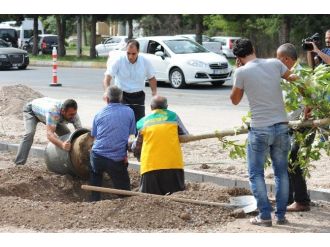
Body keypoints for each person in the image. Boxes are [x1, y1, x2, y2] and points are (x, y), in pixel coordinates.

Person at [230, 39, 298, 227]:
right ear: (254, 49)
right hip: (282, 126)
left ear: (238, 57)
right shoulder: (275, 63)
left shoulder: (241, 72)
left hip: (260, 128)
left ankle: (265, 215)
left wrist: (238, 72)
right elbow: (295, 80)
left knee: (256, 173)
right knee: (281, 172)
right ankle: (281, 215)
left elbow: (234, 100)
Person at [277, 43, 313, 212]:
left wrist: (306, 114)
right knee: (287, 160)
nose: (278, 63)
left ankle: (302, 201)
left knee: (294, 159)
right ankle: (289, 198)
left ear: (286, 59)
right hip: (291, 124)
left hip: (303, 125)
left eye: (279, 59)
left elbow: (311, 95)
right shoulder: (288, 74)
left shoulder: (300, 73)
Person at [131, 95, 189, 195]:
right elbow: (185, 135)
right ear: (166, 107)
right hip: (173, 164)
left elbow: (137, 146)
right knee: (177, 198)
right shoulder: (173, 116)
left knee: (149, 200)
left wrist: (135, 153)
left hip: (150, 166)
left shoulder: (143, 121)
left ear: (151, 107)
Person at [89, 85, 136, 201]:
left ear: (107, 99)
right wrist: (125, 155)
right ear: (121, 98)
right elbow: (130, 137)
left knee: (95, 175)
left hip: (97, 157)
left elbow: (94, 136)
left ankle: (94, 201)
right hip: (116, 159)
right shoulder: (129, 112)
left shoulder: (98, 114)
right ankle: (125, 200)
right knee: (124, 190)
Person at [103, 39, 157, 124]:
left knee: (139, 123)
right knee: (122, 121)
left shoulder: (145, 62)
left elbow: (152, 78)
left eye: (133, 54)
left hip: (138, 96)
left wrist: (154, 93)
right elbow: (108, 77)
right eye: (128, 53)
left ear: (138, 51)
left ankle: (136, 137)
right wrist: (107, 92)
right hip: (121, 96)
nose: (130, 56)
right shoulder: (119, 60)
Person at [15, 97, 81, 165]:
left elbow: (80, 132)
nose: (73, 116)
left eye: (74, 113)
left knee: (67, 135)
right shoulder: (53, 111)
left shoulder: (73, 114)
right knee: (29, 133)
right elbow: (49, 135)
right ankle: (19, 163)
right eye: (71, 115)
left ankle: (66, 162)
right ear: (63, 111)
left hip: (50, 115)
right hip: (32, 111)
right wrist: (62, 145)